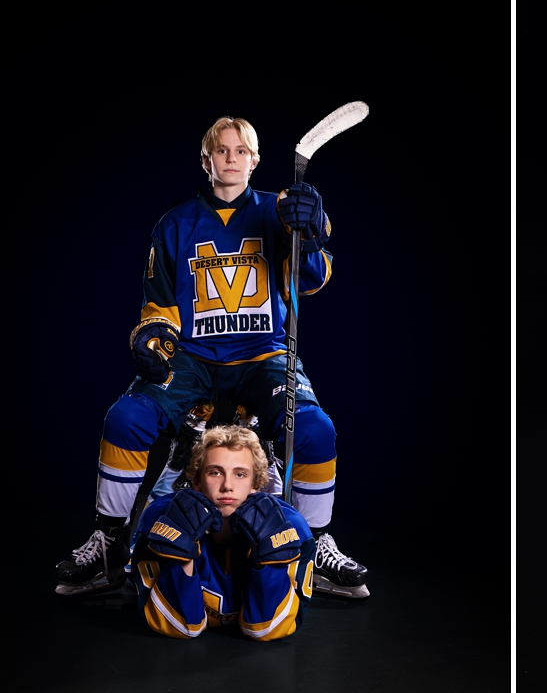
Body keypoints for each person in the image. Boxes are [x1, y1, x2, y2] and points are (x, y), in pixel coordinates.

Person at [53, 117, 369, 598]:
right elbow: (159, 304)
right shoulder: (175, 223)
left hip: (263, 353)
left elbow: (310, 279)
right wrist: (154, 338)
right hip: (195, 357)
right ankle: (110, 542)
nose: (231, 158)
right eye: (221, 151)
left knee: (314, 429)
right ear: (206, 160)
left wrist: (311, 231)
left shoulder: (279, 210)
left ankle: (314, 546)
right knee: (127, 418)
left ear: (254, 160)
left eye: (241, 151)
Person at [129, 422, 314, 641]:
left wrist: (269, 556)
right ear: (196, 480)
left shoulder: (292, 527)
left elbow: (265, 629)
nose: (227, 485)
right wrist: (182, 552)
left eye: (240, 474)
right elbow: (181, 627)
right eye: (215, 472)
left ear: (256, 483)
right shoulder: (160, 518)